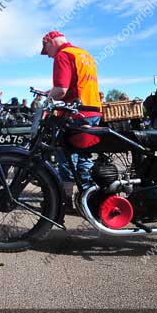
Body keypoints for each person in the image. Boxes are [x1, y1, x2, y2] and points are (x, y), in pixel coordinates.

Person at [40, 30, 102, 194]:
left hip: (76, 113)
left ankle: (65, 199)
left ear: (51, 42)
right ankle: (88, 195)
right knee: (84, 156)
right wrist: (52, 91)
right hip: (93, 110)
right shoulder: (84, 55)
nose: (48, 56)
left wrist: (46, 103)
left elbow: (61, 90)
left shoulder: (63, 55)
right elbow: (77, 83)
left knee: (66, 155)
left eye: (47, 51)